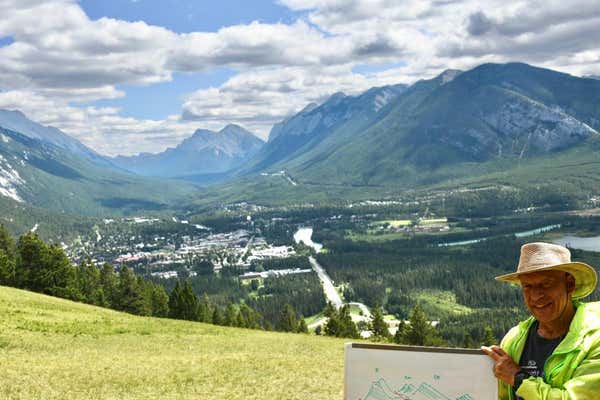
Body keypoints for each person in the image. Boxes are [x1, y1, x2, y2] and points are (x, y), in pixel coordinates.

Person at [481, 242, 600, 399]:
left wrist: (518, 379)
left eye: (546, 284)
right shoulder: (514, 339)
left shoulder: (594, 341)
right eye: (527, 286)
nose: (536, 296)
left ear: (569, 284)